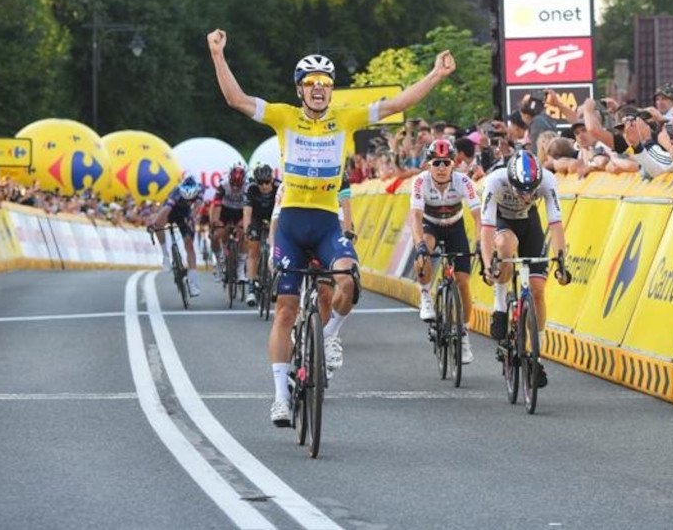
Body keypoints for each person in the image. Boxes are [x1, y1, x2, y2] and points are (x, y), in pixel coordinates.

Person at [208, 29, 456, 427]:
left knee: (349, 282)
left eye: (325, 83)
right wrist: (218, 54)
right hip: (290, 223)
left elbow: (399, 102)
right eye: (311, 83)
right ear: (300, 89)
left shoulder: (347, 118)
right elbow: (236, 100)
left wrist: (435, 75)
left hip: (325, 222)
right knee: (286, 311)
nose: (319, 89)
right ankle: (280, 398)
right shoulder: (284, 117)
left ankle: (329, 335)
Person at [479, 149, 571, 388]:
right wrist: (489, 264)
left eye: (532, 191)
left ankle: (536, 354)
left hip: (530, 224)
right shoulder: (495, 181)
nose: (528, 195)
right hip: (503, 222)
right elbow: (486, 229)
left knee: (538, 290)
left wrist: (561, 262)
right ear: (511, 181)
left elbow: (556, 225)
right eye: (522, 190)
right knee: (507, 246)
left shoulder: (548, 180)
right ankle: (500, 307)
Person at [408, 138, 480, 364]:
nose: (440, 168)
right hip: (430, 225)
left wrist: (479, 244)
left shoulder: (464, 181)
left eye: (445, 163)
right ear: (428, 164)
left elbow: (478, 217)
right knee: (425, 248)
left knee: (462, 282)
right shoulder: (420, 182)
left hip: (454, 226)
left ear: (453, 164)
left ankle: (464, 334)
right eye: (436, 163)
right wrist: (419, 245)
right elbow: (416, 218)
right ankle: (425, 295)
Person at [152, 175, 203, 296]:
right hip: (170, 211)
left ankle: (193, 283)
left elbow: (197, 208)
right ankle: (165, 256)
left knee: (189, 245)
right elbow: (164, 211)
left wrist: (192, 219)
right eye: (186, 199)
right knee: (158, 225)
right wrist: (155, 224)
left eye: (190, 199)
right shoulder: (176, 192)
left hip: (184, 215)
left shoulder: (200, 191)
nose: (188, 201)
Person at [242, 163, 279, 306]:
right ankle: (251, 288)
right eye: (260, 183)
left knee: (276, 247)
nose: (264, 186)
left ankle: (276, 283)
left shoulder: (279, 187)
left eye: (267, 182)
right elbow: (246, 213)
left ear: (272, 179)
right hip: (256, 217)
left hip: (273, 216)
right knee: (253, 249)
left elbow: (284, 210)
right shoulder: (251, 188)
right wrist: (247, 231)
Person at [211, 162, 250, 282]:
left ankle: (240, 268)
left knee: (245, 234)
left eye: (239, 186)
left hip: (241, 211)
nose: (235, 188)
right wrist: (216, 221)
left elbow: (249, 208)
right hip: (225, 210)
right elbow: (216, 205)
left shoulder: (248, 186)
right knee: (216, 236)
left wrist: (244, 223)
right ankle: (219, 262)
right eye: (233, 184)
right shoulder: (223, 184)